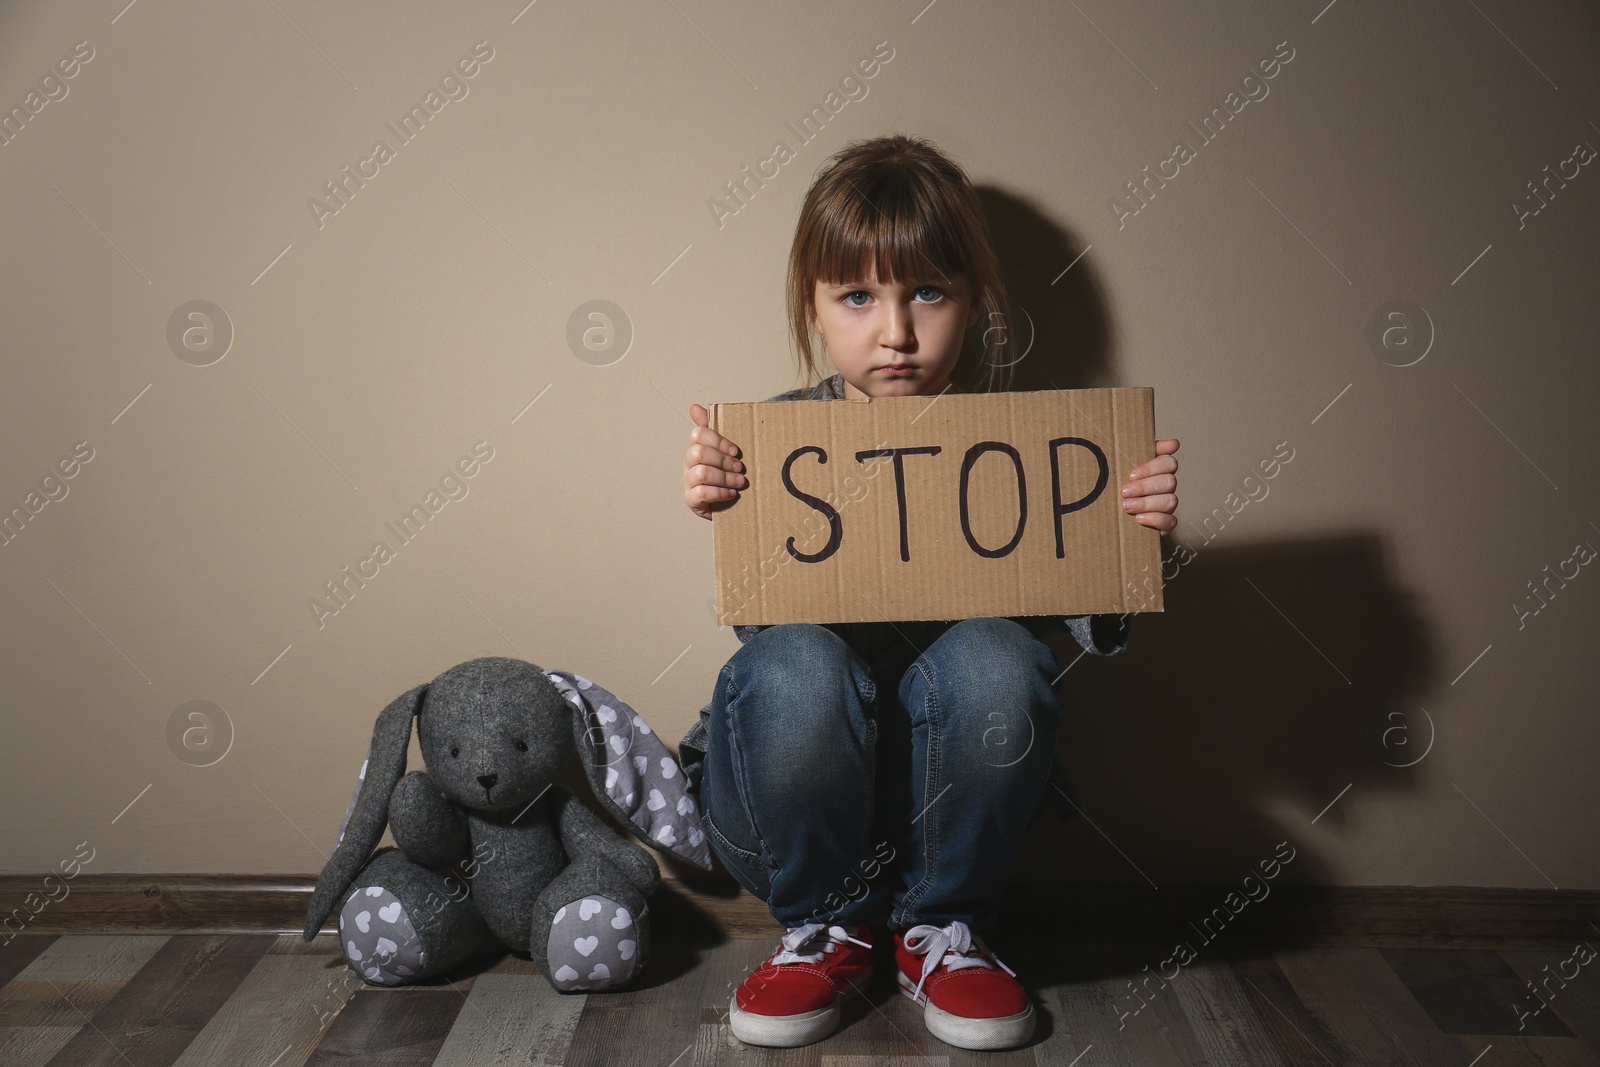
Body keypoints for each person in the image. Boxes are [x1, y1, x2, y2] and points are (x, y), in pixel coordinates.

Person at [676, 134, 1180, 1051]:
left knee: (998, 650)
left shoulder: (1024, 446)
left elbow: (1087, 611)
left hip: (945, 822)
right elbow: (769, 639)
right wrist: (728, 510)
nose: (897, 332)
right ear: (814, 308)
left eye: (928, 294)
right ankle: (821, 929)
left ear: (976, 303)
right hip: (788, 821)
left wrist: (1130, 533)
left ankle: (939, 932)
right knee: (790, 658)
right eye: (859, 297)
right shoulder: (777, 442)